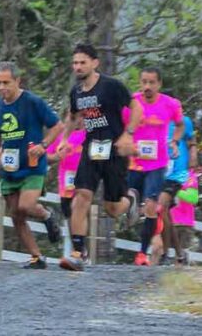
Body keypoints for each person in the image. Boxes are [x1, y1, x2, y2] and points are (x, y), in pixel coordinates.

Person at [59, 43, 143, 272]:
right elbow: (73, 115)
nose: (77, 67)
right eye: (75, 62)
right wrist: (66, 139)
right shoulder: (76, 91)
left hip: (115, 149)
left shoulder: (111, 86)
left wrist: (128, 135)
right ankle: (78, 252)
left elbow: (137, 108)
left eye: (82, 62)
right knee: (81, 195)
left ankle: (131, 199)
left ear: (95, 63)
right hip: (91, 148)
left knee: (113, 209)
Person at [0, 62, 63, 269]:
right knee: (16, 214)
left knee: (26, 206)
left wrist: (43, 146)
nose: (2, 87)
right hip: (9, 168)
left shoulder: (32, 101)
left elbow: (57, 125)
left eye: (6, 82)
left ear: (17, 81)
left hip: (33, 165)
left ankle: (48, 215)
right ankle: (36, 257)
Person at [124, 67, 184, 266]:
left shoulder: (170, 104)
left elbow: (180, 124)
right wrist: (127, 143)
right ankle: (138, 210)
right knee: (130, 203)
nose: (147, 87)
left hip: (157, 164)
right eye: (144, 82)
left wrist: (174, 141)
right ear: (140, 83)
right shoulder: (131, 102)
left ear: (159, 84)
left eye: (151, 83)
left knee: (150, 207)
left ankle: (142, 254)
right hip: (134, 163)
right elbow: (122, 125)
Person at [160, 110, 198, 265]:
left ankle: (165, 254)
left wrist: (193, 154)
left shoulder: (184, 121)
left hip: (178, 172)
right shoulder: (156, 120)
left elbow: (192, 139)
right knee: (165, 212)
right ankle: (179, 254)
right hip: (159, 170)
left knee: (162, 208)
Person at [46, 119, 87, 252]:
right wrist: (57, 156)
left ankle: (80, 247)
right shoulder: (61, 137)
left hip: (84, 178)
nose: (77, 121)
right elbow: (47, 156)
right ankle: (77, 246)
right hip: (66, 181)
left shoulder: (88, 134)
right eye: (73, 118)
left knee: (79, 209)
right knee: (69, 213)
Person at [167, 172, 199, 265]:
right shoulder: (166, 171)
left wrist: (175, 190)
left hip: (184, 222)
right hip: (167, 219)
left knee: (180, 255)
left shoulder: (190, 175)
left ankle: (177, 277)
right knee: (158, 247)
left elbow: (193, 198)